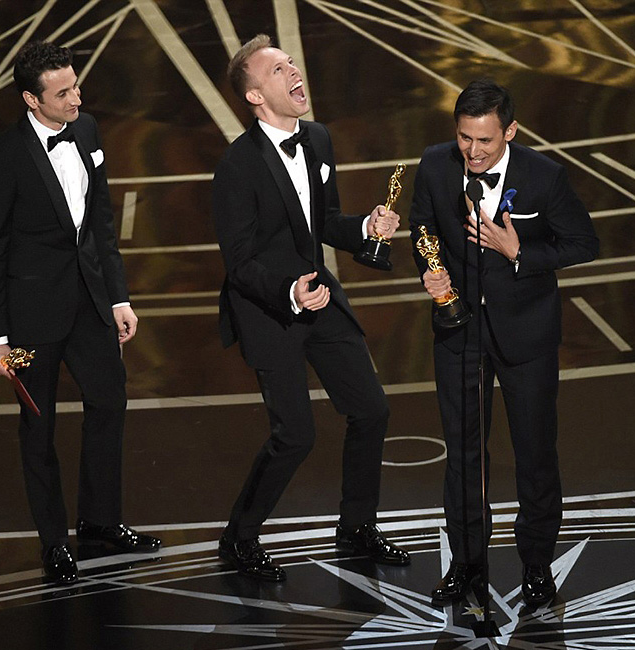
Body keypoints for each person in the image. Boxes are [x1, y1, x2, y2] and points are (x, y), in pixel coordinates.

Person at [211, 34, 410, 582]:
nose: (294, 72)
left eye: (292, 63)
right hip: (270, 310)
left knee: (371, 410)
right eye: (278, 70)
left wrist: (367, 227)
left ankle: (357, 527)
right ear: (255, 96)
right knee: (295, 435)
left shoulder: (317, 140)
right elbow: (241, 262)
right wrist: (289, 291)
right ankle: (239, 537)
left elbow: (323, 223)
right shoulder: (236, 167)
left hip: (321, 299)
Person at [0, 40, 161, 585]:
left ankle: (101, 521)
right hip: (31, 318)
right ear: (32, 100)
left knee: (110, 403)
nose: (76, 97)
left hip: (91, 303)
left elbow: (100, 222)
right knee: (40, 428)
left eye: (76, 85)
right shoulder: (2, 160)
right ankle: (54, 541)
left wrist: (119, 297)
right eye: (63, 92)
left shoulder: (88, 130)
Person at [408, 79, 598, 608]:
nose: (472, 150)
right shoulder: (434, 164)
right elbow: (421, 227)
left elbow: (584, 242)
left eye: (484, 141)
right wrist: (433, 272)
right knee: (464, 455)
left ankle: (537, 565)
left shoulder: (545, 177)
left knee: (535, 454)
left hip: (527, 337)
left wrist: (520, 252)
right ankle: (466, 562)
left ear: (510, 131)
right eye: (464, 138)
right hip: (458, 332)